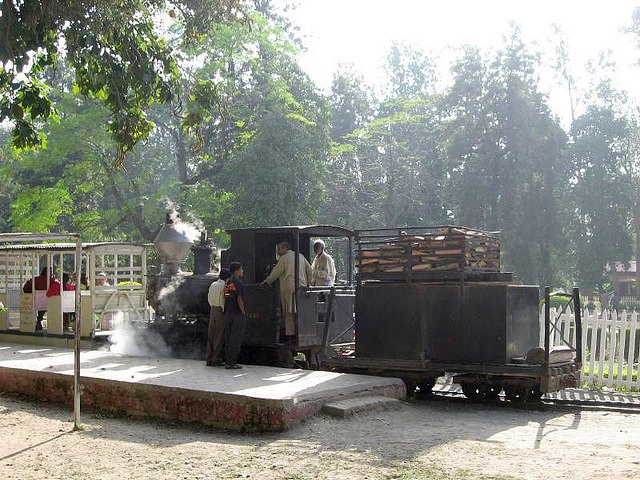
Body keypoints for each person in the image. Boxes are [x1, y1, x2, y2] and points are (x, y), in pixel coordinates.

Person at [261, 240, 312, 338]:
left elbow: (275, 273)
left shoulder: (284, 258)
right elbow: (309, 269)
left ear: (285, 248)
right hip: (302, 287)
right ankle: (301, 334)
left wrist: (265, 282)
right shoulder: (300, 256)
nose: (278, 252)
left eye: (279, 249)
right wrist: (309, 283)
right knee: (300, 311)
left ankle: (291, 336)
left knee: (289, 312)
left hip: (289, 287)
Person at [223, 262, 246, 370]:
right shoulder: (238, 283)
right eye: (241, 269)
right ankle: (231, 363)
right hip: (237, 314)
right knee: (235, 339)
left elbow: (227, 296)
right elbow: (239, 298)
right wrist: (243, 312)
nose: (242, 271)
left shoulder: (228, 282)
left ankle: (228, 361)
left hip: (228, 313)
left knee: (229, 339)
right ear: (236, 271)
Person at [206, 268, 231, 367]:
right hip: (220, 310)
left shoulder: (213, 284)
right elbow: (223, 299)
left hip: (213, 309)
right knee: (220, 336)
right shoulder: (225, 286)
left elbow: (209, 298)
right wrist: (224, 309)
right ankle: (216, 359)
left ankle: (209, 358)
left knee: (211, 335)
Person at [23, 267, 58, 331]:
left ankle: (38, 321)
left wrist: (31, 293)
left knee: (39, 305)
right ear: (48, 273)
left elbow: (25, 288)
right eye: (51, 272)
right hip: (48, 302)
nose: (52, 274)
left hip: (35, 301)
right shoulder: (52, 281)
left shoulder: (34, 280)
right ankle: (39, 320)